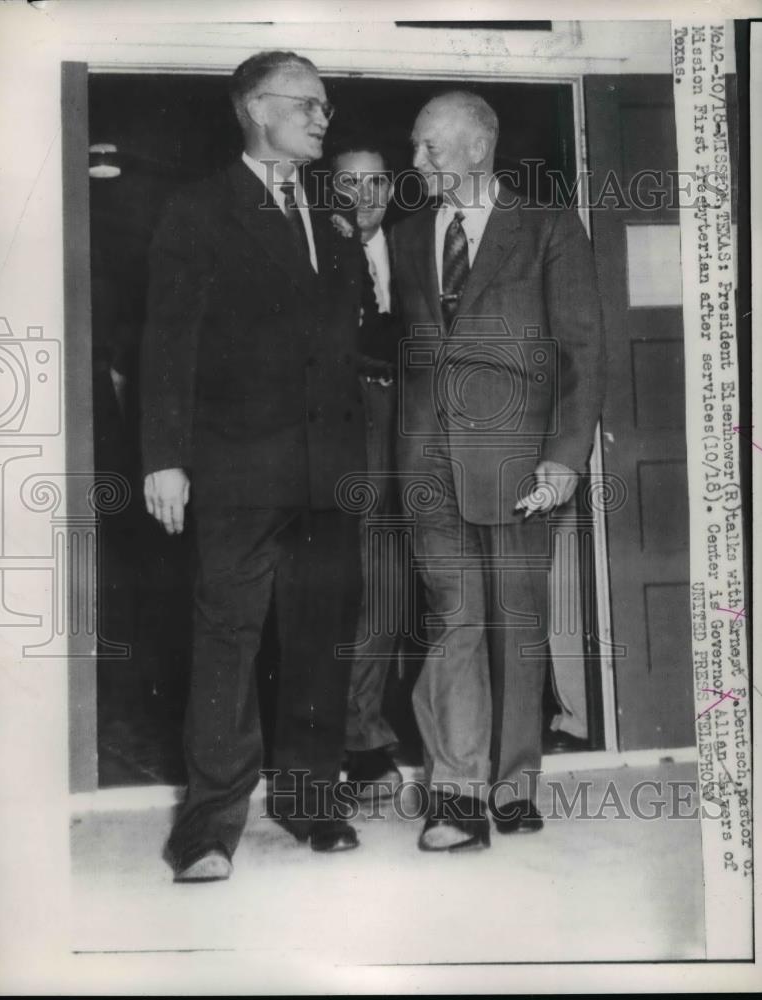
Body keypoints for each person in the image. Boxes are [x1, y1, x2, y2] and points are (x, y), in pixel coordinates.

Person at [140, 50, 370, 881]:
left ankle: (312, 802)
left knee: (320, 640)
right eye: (307, 105)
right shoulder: (197, 210)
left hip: (327, 472)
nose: (322, 119)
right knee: (227, 641)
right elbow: (167, 344)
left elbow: (350, 347)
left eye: (325, 107)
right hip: (234, 470)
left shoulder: (335, 218)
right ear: (255, 109)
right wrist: (163, 458)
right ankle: (206, 829)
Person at [393, 91, 605, 851]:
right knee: (451, 620)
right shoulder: (409, 233)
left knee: (514, 624)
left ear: (477, 149)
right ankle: (455, 794)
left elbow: (581, 351)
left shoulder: (547, 227)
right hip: (426, 461)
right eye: (415, 149)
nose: (415, 163)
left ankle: (512, 785)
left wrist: (563, 458)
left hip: (519, 462)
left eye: (429, 149)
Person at [329, 139, 403, 799]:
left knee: (387, 587)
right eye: (349, 184)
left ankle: (365, 730)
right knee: (337, 588)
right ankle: (345, 736)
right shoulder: (313, 251)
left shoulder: (414, 250)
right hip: (338, 438)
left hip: (412, 431)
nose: (364, 196)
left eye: (376, 182)